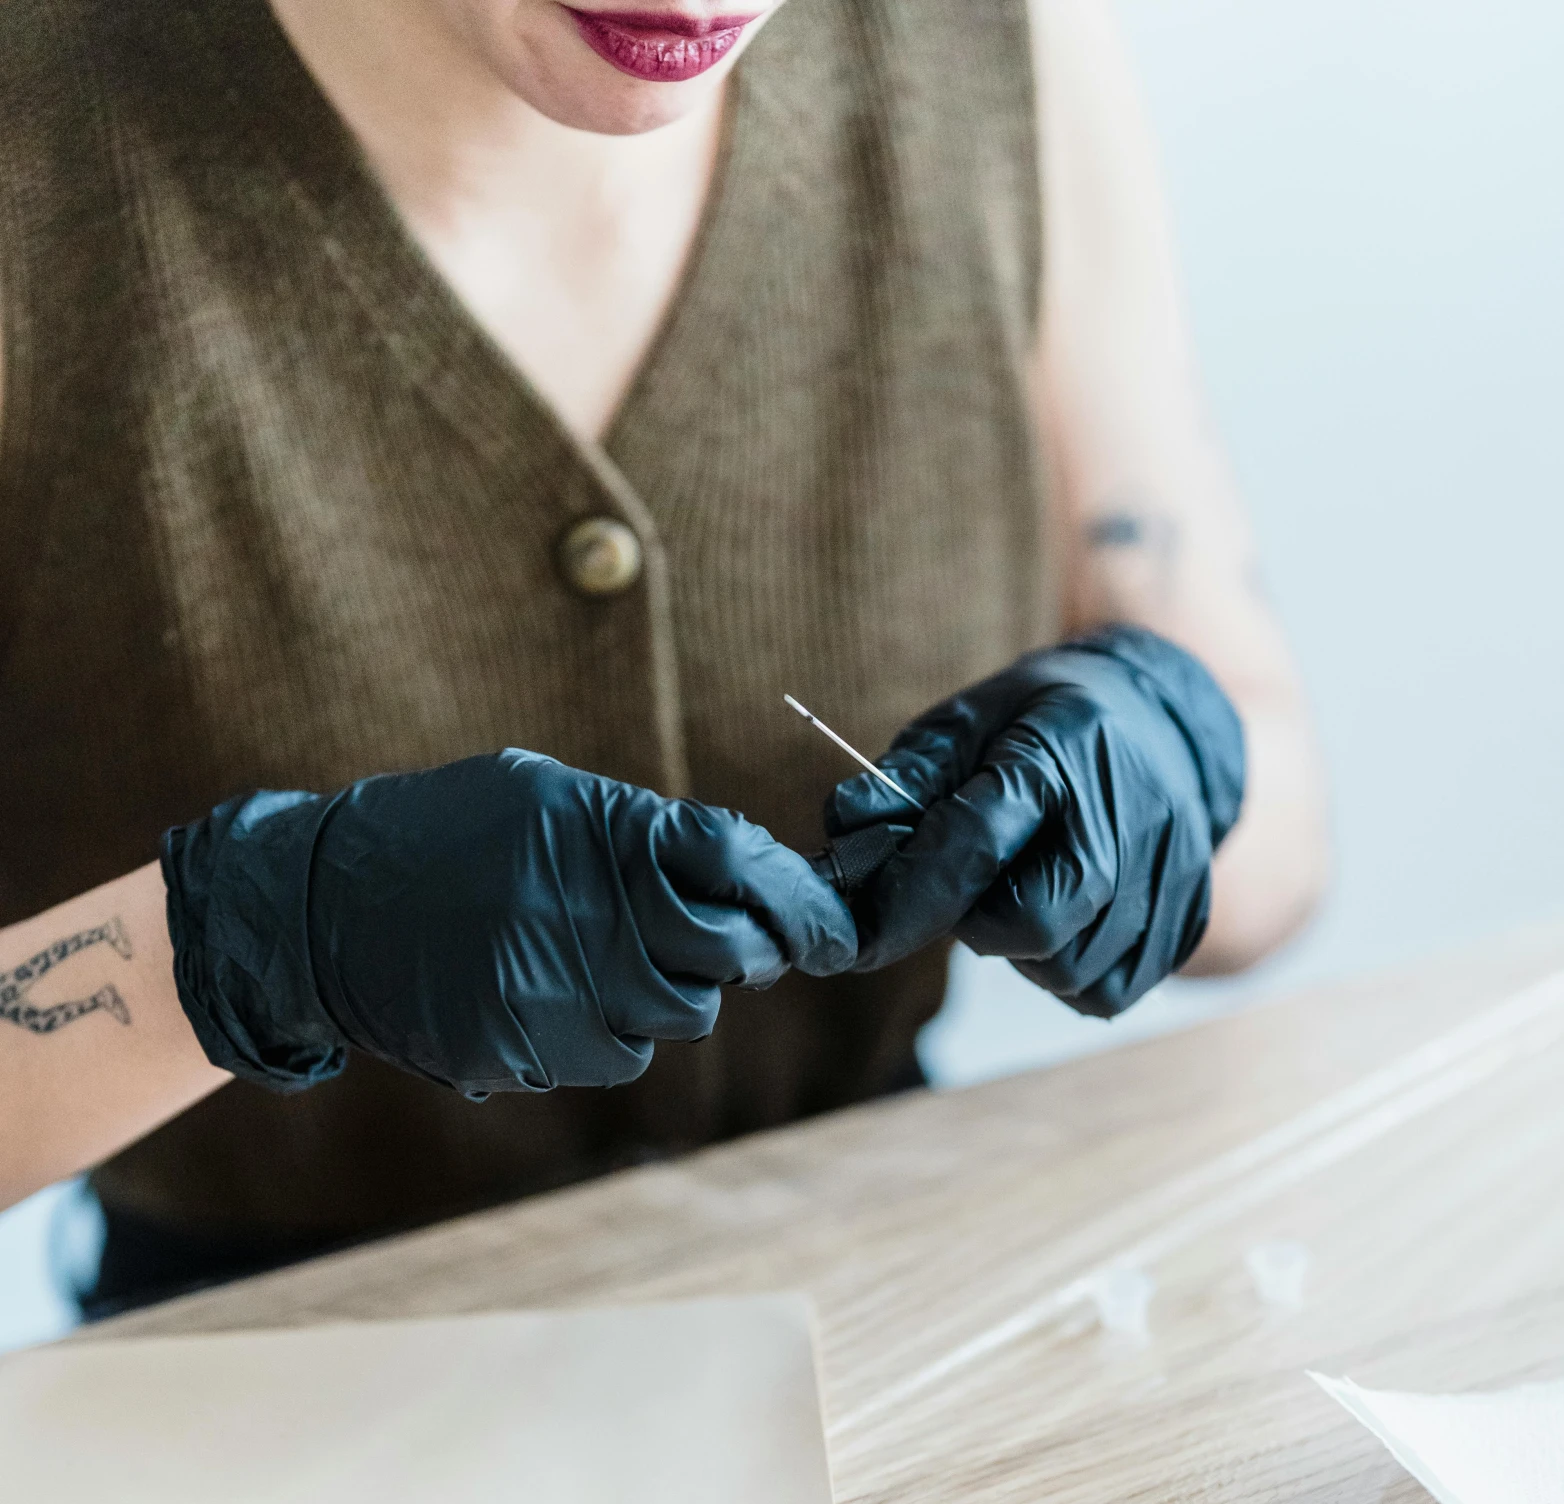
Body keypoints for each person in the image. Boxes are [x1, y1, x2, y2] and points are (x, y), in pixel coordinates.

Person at [0, 0, 1328, 1313]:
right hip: (241, 1420)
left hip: (898, 1341)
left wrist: (1172, 752)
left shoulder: (993, 37)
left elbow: (1280, 850)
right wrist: (257, 940)